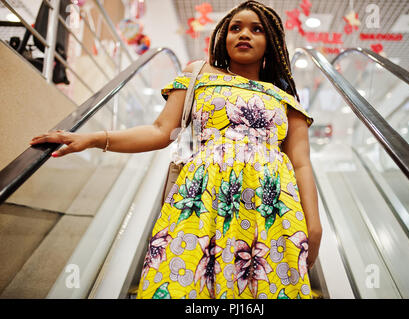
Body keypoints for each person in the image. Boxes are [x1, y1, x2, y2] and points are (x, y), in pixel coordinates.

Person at [30, 0, 322, 299]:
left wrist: (314, 225)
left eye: (256, 29)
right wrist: (92, 139)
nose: (243, 34)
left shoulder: (285, 97)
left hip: (272, 207)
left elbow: (301, 163)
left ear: (270, 41)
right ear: (223, 36)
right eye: (236, 28)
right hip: (204, 198)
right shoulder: (199, 74)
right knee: (185, 283)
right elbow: (160, 131)